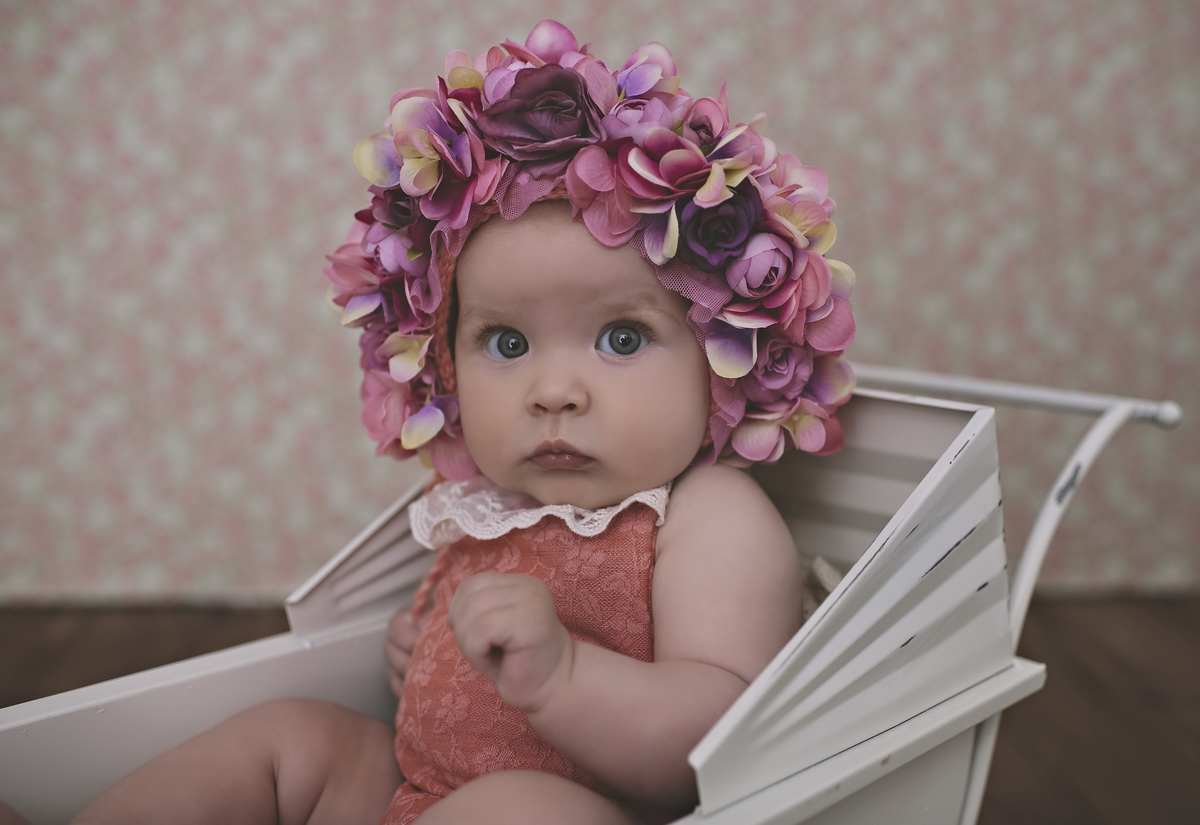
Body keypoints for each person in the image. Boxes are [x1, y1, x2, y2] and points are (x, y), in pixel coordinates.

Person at [71, 19, 856, 825]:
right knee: (291, 740)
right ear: (445, 357)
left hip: (592, 809)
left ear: (721, 356)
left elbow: (720, 735)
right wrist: (422, 657)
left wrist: (563, 678)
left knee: (520, 806)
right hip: (416, 795)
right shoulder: (487, 501)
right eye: (506, 342)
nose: (553, 391)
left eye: (622, 338)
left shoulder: (708, 515)